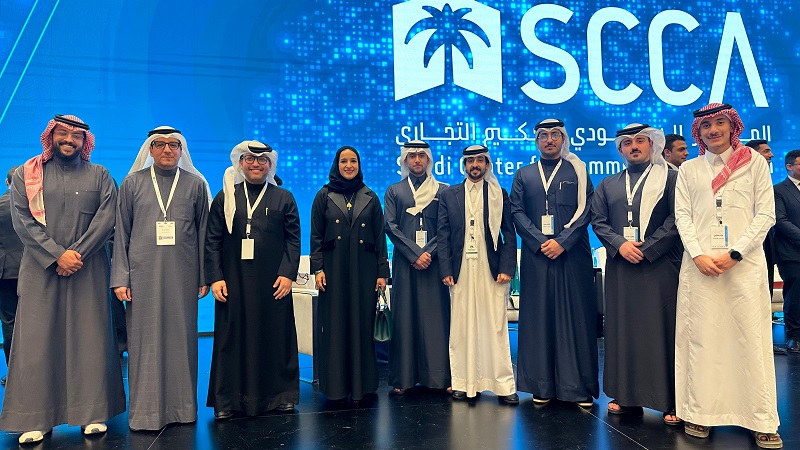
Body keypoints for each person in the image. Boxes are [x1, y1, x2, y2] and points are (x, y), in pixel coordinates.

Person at [0, 115, 125, 444]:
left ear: (85, 141)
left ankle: (92, 413)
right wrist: (57, 255)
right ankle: (35, 418)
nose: (69, 140)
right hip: (41, 269)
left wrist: (75, 255)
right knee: (37, 343)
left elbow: (106, 219)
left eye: (76, 135)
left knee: (91, 338)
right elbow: (22, 221)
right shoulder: (28, 174)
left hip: (88, 270)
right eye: (63, 134)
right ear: (51, 136)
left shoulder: (100, 175)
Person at [674, 103, 781, 448]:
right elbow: (682, 216)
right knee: (702, 340)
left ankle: (760, 418)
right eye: (706, 126)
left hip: (744, 268)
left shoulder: (754, 163)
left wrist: (736, 253)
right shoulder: (689, 169)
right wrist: (698, 254)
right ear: (699, 133)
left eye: (720, 123)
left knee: (749, 340)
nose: (713, 130)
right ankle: (700, 413)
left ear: (732, 127)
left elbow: (765, 215)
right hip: (700, 268)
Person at [111, 126, 210, 431]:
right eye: (160, 144)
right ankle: (145, 412)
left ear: (181, 150)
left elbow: (203, 233)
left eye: (173, 145)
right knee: (144, 342)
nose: (167, 150)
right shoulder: (132, 183)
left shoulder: (195, 184)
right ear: (150, 150)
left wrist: (203, 275)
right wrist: (121, 278)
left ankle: (183, 409)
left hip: (184, 275)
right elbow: (121, 233)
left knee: (182, 340)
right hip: (142, 276)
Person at [591, 124, 682, 425]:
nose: (634, 146)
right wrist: (620, 245)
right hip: (621, 266)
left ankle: (670, 399)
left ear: (652, 145)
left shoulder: (671, 178)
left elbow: (678, 218)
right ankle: (626, 395)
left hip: (660, 266)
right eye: (627, 142)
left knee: (662, 329)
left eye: (640, 141)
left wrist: (649, 248)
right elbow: (598, 221)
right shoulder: (608, 184)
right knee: (623, 329)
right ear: (620, 149)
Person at [205, 141, 301, 418]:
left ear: (270, 165)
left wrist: (287, 274)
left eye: (261, 160)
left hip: (274, 284)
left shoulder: (284, 197)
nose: (256, 164)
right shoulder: (225, 197)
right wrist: (215, 278)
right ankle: (228, 400)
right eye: (249, 159)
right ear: (240, 163)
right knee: (230, 338)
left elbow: (293, 240)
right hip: (233, 282)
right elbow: (212, 240)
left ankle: (281, 396)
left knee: (277, 336)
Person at [509, 119, 597, 408]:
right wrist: (539, 241)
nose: (550, 140)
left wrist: (562, 241)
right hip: (537, 256)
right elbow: (516, 211)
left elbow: (588, 209)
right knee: (539, 318)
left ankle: (577, 387)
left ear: (563, 139)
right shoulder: (524, 174)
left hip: (572, 255)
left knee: (575, 317)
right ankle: (541, 385)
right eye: (544, 136)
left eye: (555, 135)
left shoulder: (578, 171)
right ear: (536, 142)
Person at [437, 145, 518, 404]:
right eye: (470, 160)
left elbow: (509, 233)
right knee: (461, 324)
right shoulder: (449, 195)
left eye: (480, 160)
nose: (475, 165)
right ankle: (463, 382)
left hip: (491, 268)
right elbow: (443, 235)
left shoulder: (498, 193)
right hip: (460, 268)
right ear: (464, 165)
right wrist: (446, 269)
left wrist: (507, 268)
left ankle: (502, 385)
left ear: (487, 164)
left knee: (495, 324)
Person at [310, 145, 390, 403]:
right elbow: (316, 236)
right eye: (343, 161)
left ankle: (362, 385)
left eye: (353, 161)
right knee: (335, 325)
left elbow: (380, 238)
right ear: (337, 164)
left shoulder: (370, 196)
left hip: (364, 271)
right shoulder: (324, 195)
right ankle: (335, 386)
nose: (348, 165)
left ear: (359, 165)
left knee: (362, 325)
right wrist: (318, 268)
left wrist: (382, 273)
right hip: (332, 271)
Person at [384, 140, 451, 395]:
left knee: (436, 319)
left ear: (429, 159)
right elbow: (390, 226)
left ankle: (439, 376)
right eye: (412, 156)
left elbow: (446, 227)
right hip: (405, 262)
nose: (417, 160)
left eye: (422, 155)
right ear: (405, 160)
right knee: (405, 317)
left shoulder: (443, 190)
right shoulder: (394, 191)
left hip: (434, 263)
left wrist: (427, 253)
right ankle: (404, 377)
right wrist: (414, 254)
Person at [773, 149, 800, 355]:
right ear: (789, 166)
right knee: (795, 295)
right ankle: (794, 337)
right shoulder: (778, 190)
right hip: (791, 252)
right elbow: (780, 221)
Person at [0, 166, 23, 386]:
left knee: (9, 323)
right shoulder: (36, 208)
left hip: (5, 274)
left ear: (7, 183)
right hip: (34, 273)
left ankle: (14, 374)